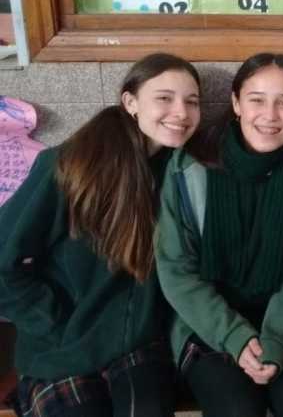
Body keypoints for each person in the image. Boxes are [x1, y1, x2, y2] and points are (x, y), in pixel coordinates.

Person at [0, 53, 202, 417]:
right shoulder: (72, 165)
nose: (181, 112)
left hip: (137, 344)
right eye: (164, 98)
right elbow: (4, 258)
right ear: (130, 102)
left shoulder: (183, 173)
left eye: (192, 101)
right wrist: (49, 319)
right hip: (62, 344)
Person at [156, 53, 283, 417]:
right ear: (236, 103)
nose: (270, 115)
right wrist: (234, 335)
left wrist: (275, 339)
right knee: (238, 409)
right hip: (206, 322)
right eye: (257, 100)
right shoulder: (190, 167)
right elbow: (176, 270)